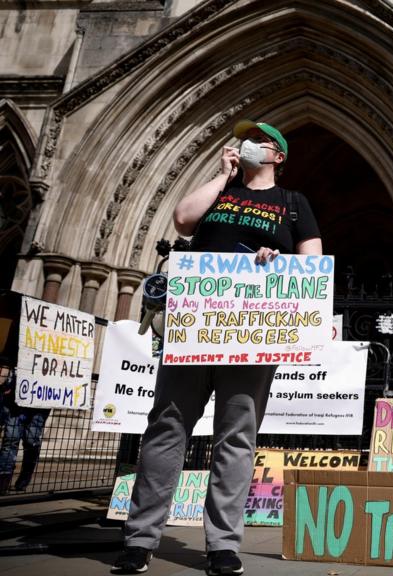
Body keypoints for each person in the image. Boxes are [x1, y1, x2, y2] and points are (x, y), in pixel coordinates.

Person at [112, 120, 322, 575]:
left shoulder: (292, 203)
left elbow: (312, 264)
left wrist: (280, 260)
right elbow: (184, 219)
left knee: (237, 439)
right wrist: (223, 174)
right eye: (244, 140)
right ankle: (140, 538)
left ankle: (223, 544)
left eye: (258, 141)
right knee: (166, 430)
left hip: (252, 335)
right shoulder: (222, 193)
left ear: (277, 156)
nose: (246, 145)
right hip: (196, 330)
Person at [0, 358, 51, 494]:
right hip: (16, 399)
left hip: (40, 399)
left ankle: (23, 480)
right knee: (11, 439)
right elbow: (7, 357)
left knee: (31, 441)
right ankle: (3, 482)